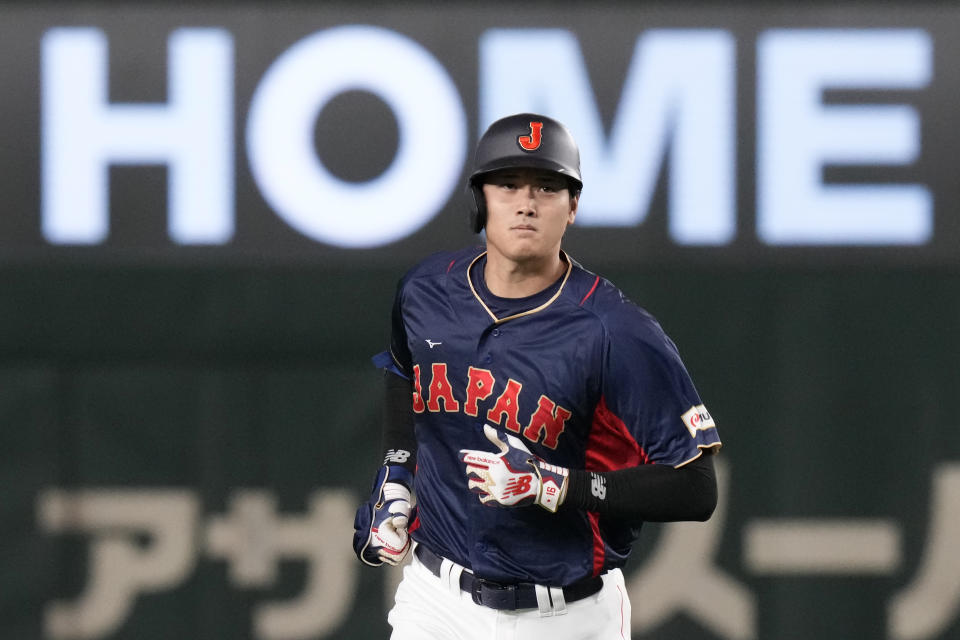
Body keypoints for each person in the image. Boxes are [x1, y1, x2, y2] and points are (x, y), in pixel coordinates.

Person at [353, 113, 722, 639]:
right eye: (508, 185)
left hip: (565, 614)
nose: (527, 203)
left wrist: (555, 485)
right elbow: (404, 374)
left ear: (572, 207)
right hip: (437, 598)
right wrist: (395, 478)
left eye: (548, 188)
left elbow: (694, 488)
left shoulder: (616, 331)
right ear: (480, 199)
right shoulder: (426, 293)